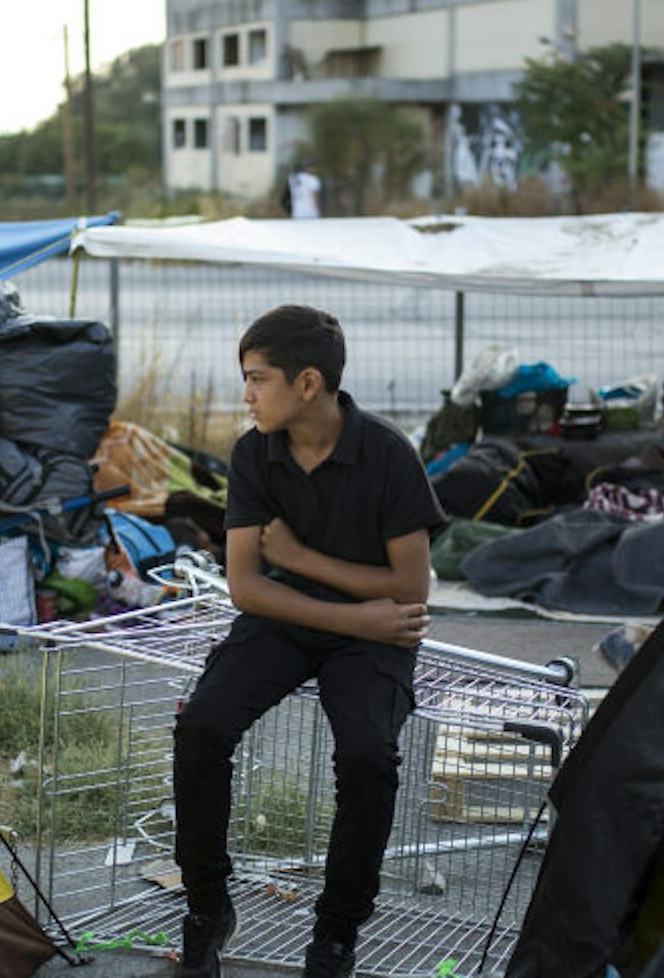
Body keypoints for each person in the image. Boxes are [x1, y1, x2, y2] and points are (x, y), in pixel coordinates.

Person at [172, 305, 442, 978]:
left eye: (257, 378)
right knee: (201, 727)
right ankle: (206, 908)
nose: (246, 395)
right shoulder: (253, 453)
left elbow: (410, 590)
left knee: (368, 757)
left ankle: (335, 935)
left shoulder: (388, 454)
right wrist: (356, 615)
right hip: (297, 621)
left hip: (374, 638)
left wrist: (299, 558)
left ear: (309, 383)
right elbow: (246, 587)